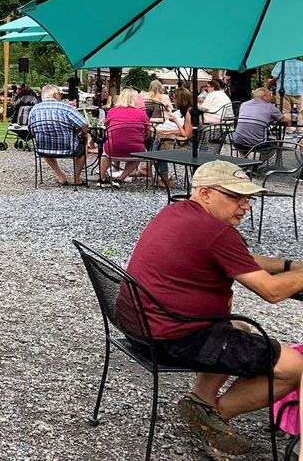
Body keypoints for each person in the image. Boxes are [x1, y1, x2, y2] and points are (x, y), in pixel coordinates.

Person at [125, 160, 303, 457]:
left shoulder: (178, 212)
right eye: (235, 197)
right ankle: (214, 416)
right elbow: (271, 292)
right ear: (205, 193)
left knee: (239, 328)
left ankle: (201, 403)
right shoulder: (216, 233)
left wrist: (289, 266)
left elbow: (240, 259)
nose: (245, 205)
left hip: (142, 327)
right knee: (293, 367)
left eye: (248, 198)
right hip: (176, 337)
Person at [27, 83, 89, 187]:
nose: (61, 96)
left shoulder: (34, 109)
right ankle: (76, 178)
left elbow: (31, 130)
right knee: (83, 145)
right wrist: (83, 134)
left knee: (44, 142)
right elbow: (85, 124)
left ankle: (61, 176)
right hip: (69, 148)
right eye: (60, 94)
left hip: (43, 149)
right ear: (55, 95)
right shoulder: (66, 108)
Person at [97, 88, 156, 188]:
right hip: (135, 149)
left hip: (113, 148)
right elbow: (148, 134)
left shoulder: (112, 111)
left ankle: (102, 179)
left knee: (105, 155)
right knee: (139, 155)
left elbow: (107, 129)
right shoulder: (141, 114)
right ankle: (120, 179)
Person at [231, 87, 283, 153]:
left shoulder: (244, 104)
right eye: (270, 95)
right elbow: (284, 120)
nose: (271, 97)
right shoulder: (270, 107)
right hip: (257, 144)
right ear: (264, 96)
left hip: (237, 142)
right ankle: (260, 162)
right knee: (276, 144)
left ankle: (243, 160)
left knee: (244, 136)